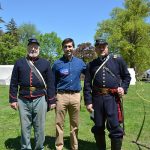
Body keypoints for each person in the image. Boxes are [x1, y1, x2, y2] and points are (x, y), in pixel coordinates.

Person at [84, 39, 131, 150]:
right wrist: (88, 102)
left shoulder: (118, 60)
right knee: (98, 126)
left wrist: (123, 88)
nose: (102, 48)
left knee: (115, 127)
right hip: (97, 99)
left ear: (107, 47)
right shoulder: (91, 65)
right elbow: (87, 85)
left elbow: (127, 77)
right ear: (95, 49)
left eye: (104, 46)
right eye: (99, 47)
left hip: (112, 99)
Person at [9, 38, 56, 150]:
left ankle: (39, 147)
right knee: (25, 127)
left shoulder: (45, 63)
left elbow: (50, 83)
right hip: (23, 99)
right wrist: (13, 99)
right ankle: (25, 147)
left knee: (40, 127)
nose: (33, 49)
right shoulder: (19, 62)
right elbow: (14, 82)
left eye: (35, 47)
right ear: (27, 48)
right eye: (31, 47)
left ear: (39, 49)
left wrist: (52, 100)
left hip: (40, 98)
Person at [52, 38, 86, 150]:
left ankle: (74, 147)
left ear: (73, 47)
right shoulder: (57, 64)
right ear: (62, 48)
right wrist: (52, 99)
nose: (68, 49)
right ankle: (59, 146)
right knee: (59, 123)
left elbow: (91, 74)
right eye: (65, 47)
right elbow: (52, 82)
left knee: (75, 124)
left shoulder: (80, 63)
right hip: (61, 96)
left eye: (70, 46)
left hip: (76, 96)